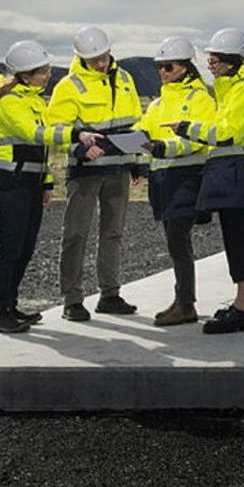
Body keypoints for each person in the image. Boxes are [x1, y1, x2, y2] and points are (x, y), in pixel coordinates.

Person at [172, 27, 244, 335]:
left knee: (238, 236)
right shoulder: (231, 88)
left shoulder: (243, 90)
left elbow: (228, 132)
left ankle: (242, 309)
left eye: (214, 59)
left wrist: (188, 128)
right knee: (240, 233)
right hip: (235, 168)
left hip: (239, 169)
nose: (210, 65)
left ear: (230, 60)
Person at [47, 25, 146, 321]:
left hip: (118, 170)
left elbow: (135, 122)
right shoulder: (69, 85)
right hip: (85, 173)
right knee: (76, 234)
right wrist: (78, 149)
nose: (101, 63)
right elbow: (55, 130)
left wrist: (138, 161)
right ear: (81, 57)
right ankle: (72, 300)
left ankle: (110, 295)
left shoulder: (126, 79)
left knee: (113, 234)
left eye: (104, 57)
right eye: (94, 60)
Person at [0, 40, 74, 334]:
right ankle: (1, 315)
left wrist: (46, 182)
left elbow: (42, 151)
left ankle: (11, 306)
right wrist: (76, 134)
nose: (48, 76)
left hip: (31, 184)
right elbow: (34, 134)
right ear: (24, 74)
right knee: (10, 250)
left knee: (25, 250)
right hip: (11, 184)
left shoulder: (36, 99)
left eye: (48, 70)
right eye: (42, 72)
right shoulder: (10, 102)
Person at [136, 36, 216, 326]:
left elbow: (198, 138)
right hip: (162, 181)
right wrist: (137, 156)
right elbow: (143, 135)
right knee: (175, 243)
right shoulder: (156, 103)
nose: (162, 72)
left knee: (178, 241)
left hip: (187, 178)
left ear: (184, 67)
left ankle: (185, 304)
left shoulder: (200, 98)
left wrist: (163, 147)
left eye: (168, 67)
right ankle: (183, 302)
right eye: (159, 67)